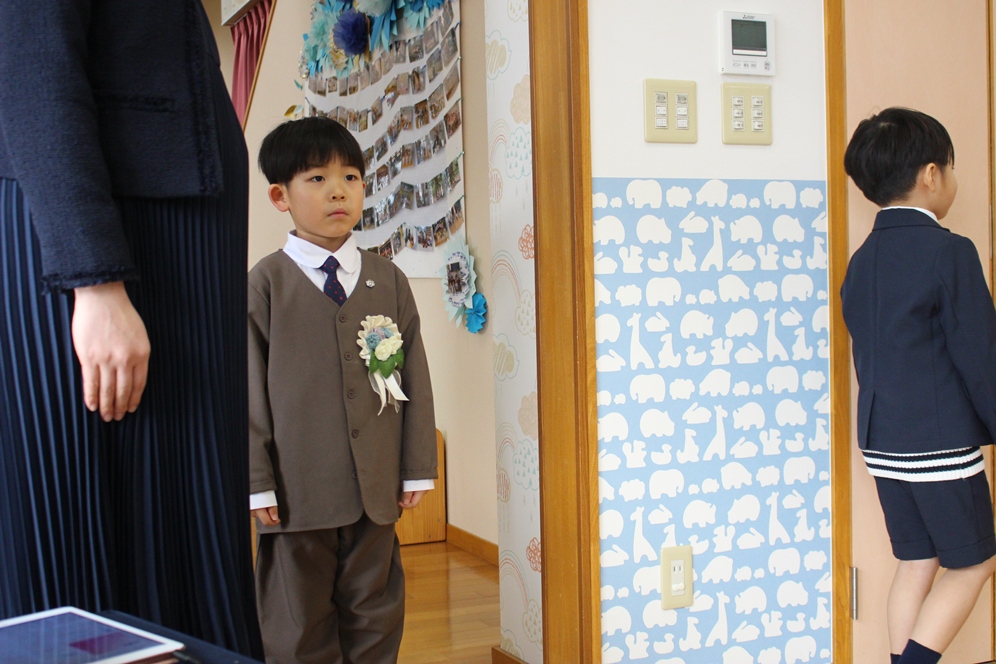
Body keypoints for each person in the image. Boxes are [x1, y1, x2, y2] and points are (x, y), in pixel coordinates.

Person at [0, 0, 261, 656]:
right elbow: (32, 59)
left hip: (169, 243)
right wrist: (93, 278)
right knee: (83, 543)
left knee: (183, 533)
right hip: (111, 248)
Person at [249, 117, 437, 662]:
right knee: (297, 619)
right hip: (296, 494)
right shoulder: (266, 284)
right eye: (317, 178)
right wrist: (258, 483)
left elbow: (414, 375)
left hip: (374, 489)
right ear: (280, 196)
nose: (338, 190)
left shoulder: (388, 279)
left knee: (375, 611)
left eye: (351, 177)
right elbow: (248, 393)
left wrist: (416, 466)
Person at [842, 107, 996, 664]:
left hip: (881, 442)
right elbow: (980, 358)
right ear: (932, 174)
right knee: (974, 563)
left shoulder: (862, 260)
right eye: (950, 168)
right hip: (938, 444)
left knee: (916, 559)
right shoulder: (949, 252)